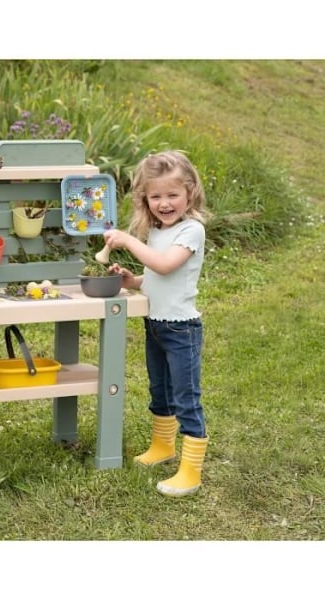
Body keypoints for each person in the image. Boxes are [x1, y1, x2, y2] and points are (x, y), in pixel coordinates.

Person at [103, 150, 209, 497]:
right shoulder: (157, 231)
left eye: (172, 194)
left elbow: (165, 265)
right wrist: (131, 280)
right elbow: (155, 276)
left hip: (181, 330)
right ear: (145, 199)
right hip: (155, 325)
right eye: (156, 196)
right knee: (159, 390)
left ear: (190, 193)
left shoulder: (192, 230)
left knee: (185, 397)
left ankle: (191, 471)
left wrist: (128, 240)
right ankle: (163, 446)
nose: (164, 203)